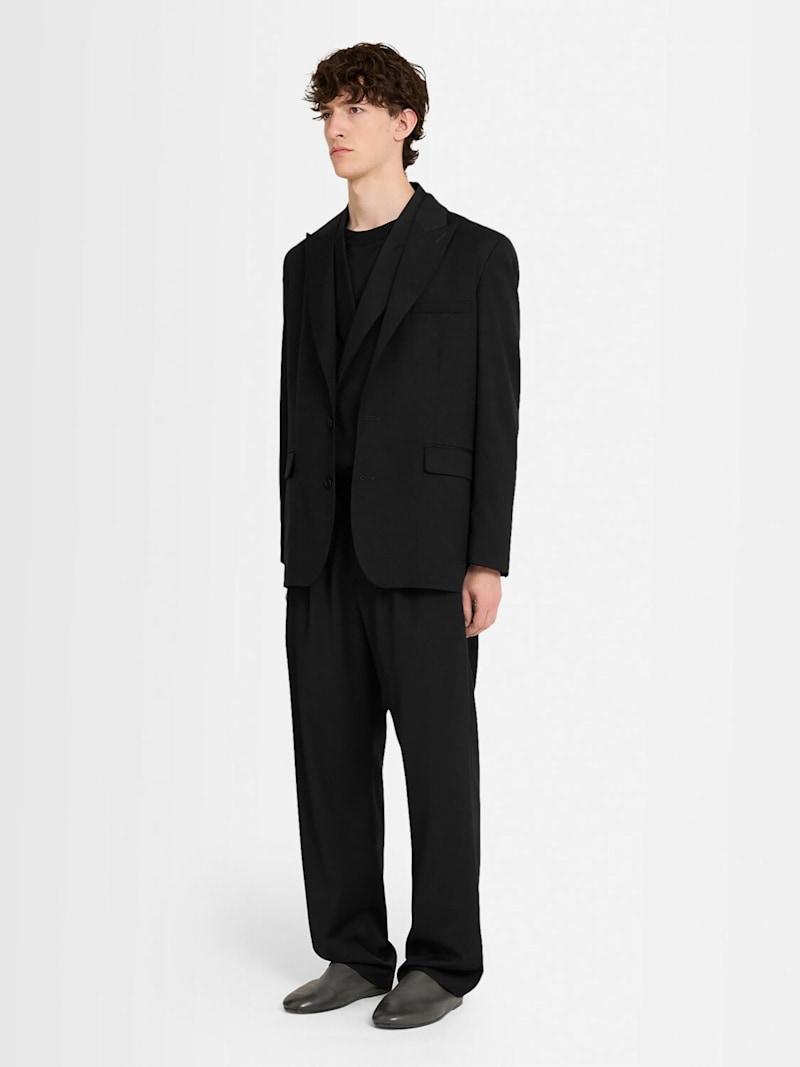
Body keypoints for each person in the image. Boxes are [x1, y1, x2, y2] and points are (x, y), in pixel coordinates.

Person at [279, 41, 520, 1029]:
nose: (336, 127)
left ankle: (444, 961)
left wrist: (486, 554)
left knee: (437, 765)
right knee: (330, 758)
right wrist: (294, 545)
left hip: (427, 551)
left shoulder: (475, 255)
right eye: (327, 111)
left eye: (355, 109)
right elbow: (296, 412)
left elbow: (496, 413)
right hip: (323, 553)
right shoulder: (304, 264)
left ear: (403, 122)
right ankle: (351, 947)